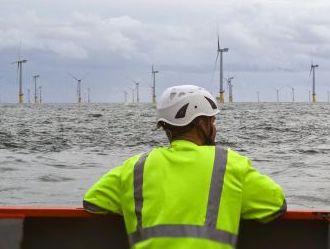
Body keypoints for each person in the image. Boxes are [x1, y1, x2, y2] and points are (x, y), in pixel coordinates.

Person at [84, 85, 286, 248]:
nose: (213, 128)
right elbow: (275, 205)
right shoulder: (229, 163)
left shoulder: (135, 166)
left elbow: (93, 202)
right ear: (200, 123)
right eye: (212, 121)